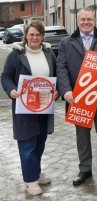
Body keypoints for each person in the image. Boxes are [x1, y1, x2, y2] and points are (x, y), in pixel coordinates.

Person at [57, 7, 97, 186]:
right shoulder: (66, 42)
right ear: (77, 21)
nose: (86, 22)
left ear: (95, 21)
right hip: (77, 98)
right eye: (82, 19)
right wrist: (65, 90)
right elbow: (61, 68)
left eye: (89, 19)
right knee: (82, 136)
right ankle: (85, 169)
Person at [1, 21, 59, 195]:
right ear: (26, 36)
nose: (35, 37)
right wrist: (11, 90)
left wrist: (56, 92)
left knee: (40, 142)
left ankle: (36, 172)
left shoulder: (49, 54)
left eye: (38, 34)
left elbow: (56, 76)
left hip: (43, 106)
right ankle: (30, 180)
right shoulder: (16, 55)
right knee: (27, 144)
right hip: (24, 107)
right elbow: (5, 77)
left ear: (42, 36)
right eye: (31, 34)